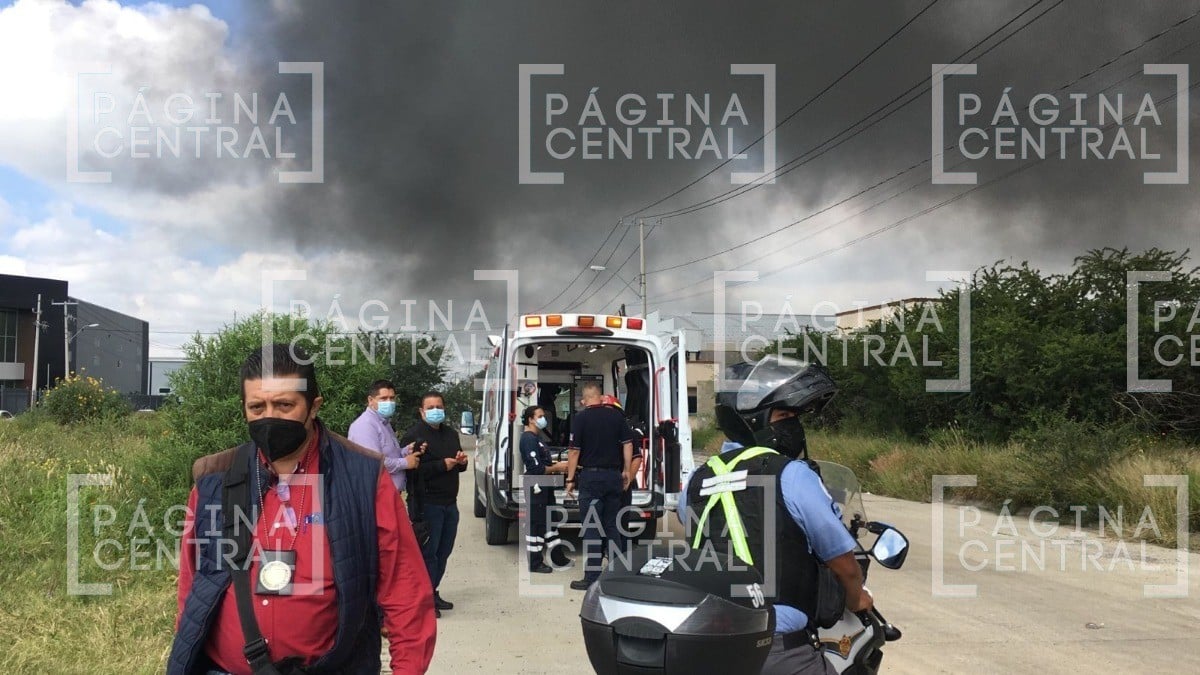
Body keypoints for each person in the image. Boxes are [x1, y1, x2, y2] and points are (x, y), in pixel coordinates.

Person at [168, 343, 436, 675]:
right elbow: (191, 586)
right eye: (256, 407)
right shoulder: (215, 479)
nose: (269, 418)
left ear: (313, 407)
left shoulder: (364, 479)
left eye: (284, 405)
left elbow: (405, 591)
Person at [678, 356, 872, 675]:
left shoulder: (697, 481)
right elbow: (842, 562)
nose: (793, 424)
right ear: (751, 421)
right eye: (783, 415)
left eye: (795, 416)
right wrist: (857, 598)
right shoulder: (791, 475)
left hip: (708, 642)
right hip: (775, 649)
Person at [400, 391, 467, 616]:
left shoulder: (450, 433)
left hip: (450, 503)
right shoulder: (414, 436)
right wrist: (441, 466)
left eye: (439, 406)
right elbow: (410, 471)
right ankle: (423, 599)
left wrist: (461, 462)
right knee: (427, 553)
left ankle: (432, 591)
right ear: (421, 411)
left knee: (444, 551)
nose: (435, 410)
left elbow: (458, 463)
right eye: (430, 407)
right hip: (427, 503)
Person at [565, 382, 635, 591]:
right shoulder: (616, 416)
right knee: (612, 526)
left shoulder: (581, 418)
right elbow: (628, 444)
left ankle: (592, 577)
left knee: (593, 528)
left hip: (591, 478)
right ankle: (617, 575)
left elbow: (574, 451)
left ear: (585, 400)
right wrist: (626, 471)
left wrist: (570, 479)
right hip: (613, 477)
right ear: (601, 397)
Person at [518, 405, 571, 572]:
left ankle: (557, 557)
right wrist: (558, 468)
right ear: (530, 419)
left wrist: (555, 466)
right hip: (536, 485)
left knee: (550, 520)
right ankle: (535, 563)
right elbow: (536, 469)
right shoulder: (528, 439)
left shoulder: (537, 438)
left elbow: (544, 464)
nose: (543, 419)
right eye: (540, 416)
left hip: (544, 484)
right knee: (537, 524)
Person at [347, 379, 421, 492]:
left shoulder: (384, 423)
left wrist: (406, 451)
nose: (389, 402)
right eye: (383, 398)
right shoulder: (365, 425)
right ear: (370, 400)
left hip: (390, 495)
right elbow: (374, 462)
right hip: (376, 497)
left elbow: (388, 455)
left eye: (392, 398)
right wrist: (405, 463)